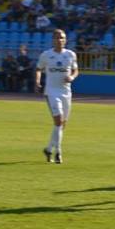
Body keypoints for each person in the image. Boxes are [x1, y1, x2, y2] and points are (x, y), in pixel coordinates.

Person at [35, 27, 80, 164]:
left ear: (65, 40)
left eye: (62, 38)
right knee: (59, 121)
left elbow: (76, 70)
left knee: (61, 124)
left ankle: (49, 149)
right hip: (52, 91)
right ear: (53, 40)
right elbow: (38, 69)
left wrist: (72, 77)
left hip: (66, 92)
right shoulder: (46, 55)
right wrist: (37, 81)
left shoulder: (71, 55)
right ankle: (58, 152)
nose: (60, 40)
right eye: (57, 37)